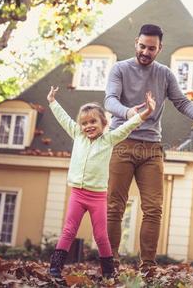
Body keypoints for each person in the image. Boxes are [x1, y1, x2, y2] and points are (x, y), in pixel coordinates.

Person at [104, 24, 193, 269]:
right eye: (142, 46)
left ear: (160, 48)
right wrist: (129, 113)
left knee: (154, 208)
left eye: (152, 48)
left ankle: (147, 265)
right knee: (115, 206)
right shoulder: (120, 69)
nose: (146, 52)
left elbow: (182, 102)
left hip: (151, 148)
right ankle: (110, 261)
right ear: (136, 42)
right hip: (122, 142)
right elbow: (110, 100)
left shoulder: (164, 74)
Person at [47, 86, 156, 278]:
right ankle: (55, 268)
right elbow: (64, 119)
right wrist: (53, 102)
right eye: (84, 123)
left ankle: (108, 272)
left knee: (101, 235)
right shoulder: (78, 135)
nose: (88, 126)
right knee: (68, 230)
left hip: (97, 197)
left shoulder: (109, 139)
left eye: (93, 122)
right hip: (77, 195)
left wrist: (146, 113)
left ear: (104, 123)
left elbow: (127, 127)